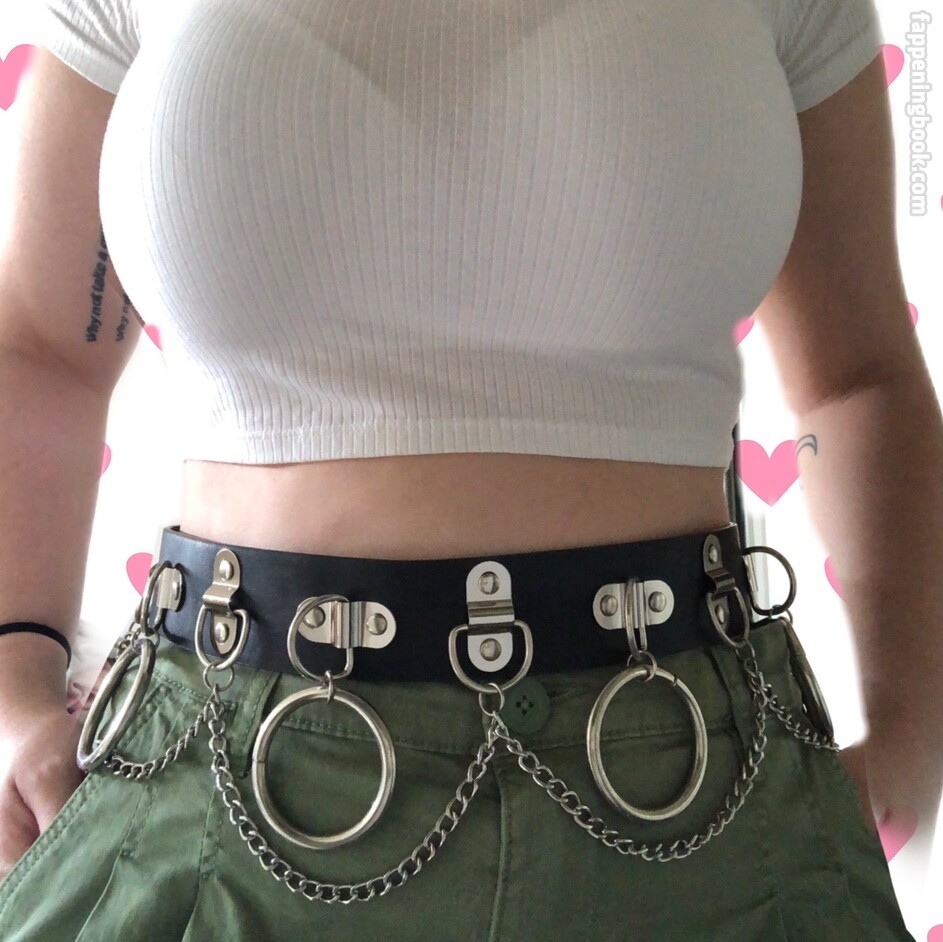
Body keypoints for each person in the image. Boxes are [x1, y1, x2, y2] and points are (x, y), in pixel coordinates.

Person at [0, 0, 930, 937]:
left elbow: (858, 377)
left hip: (699, 786)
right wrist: (12, 689)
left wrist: (913, 729)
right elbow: (41, 355)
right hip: (208, 785)